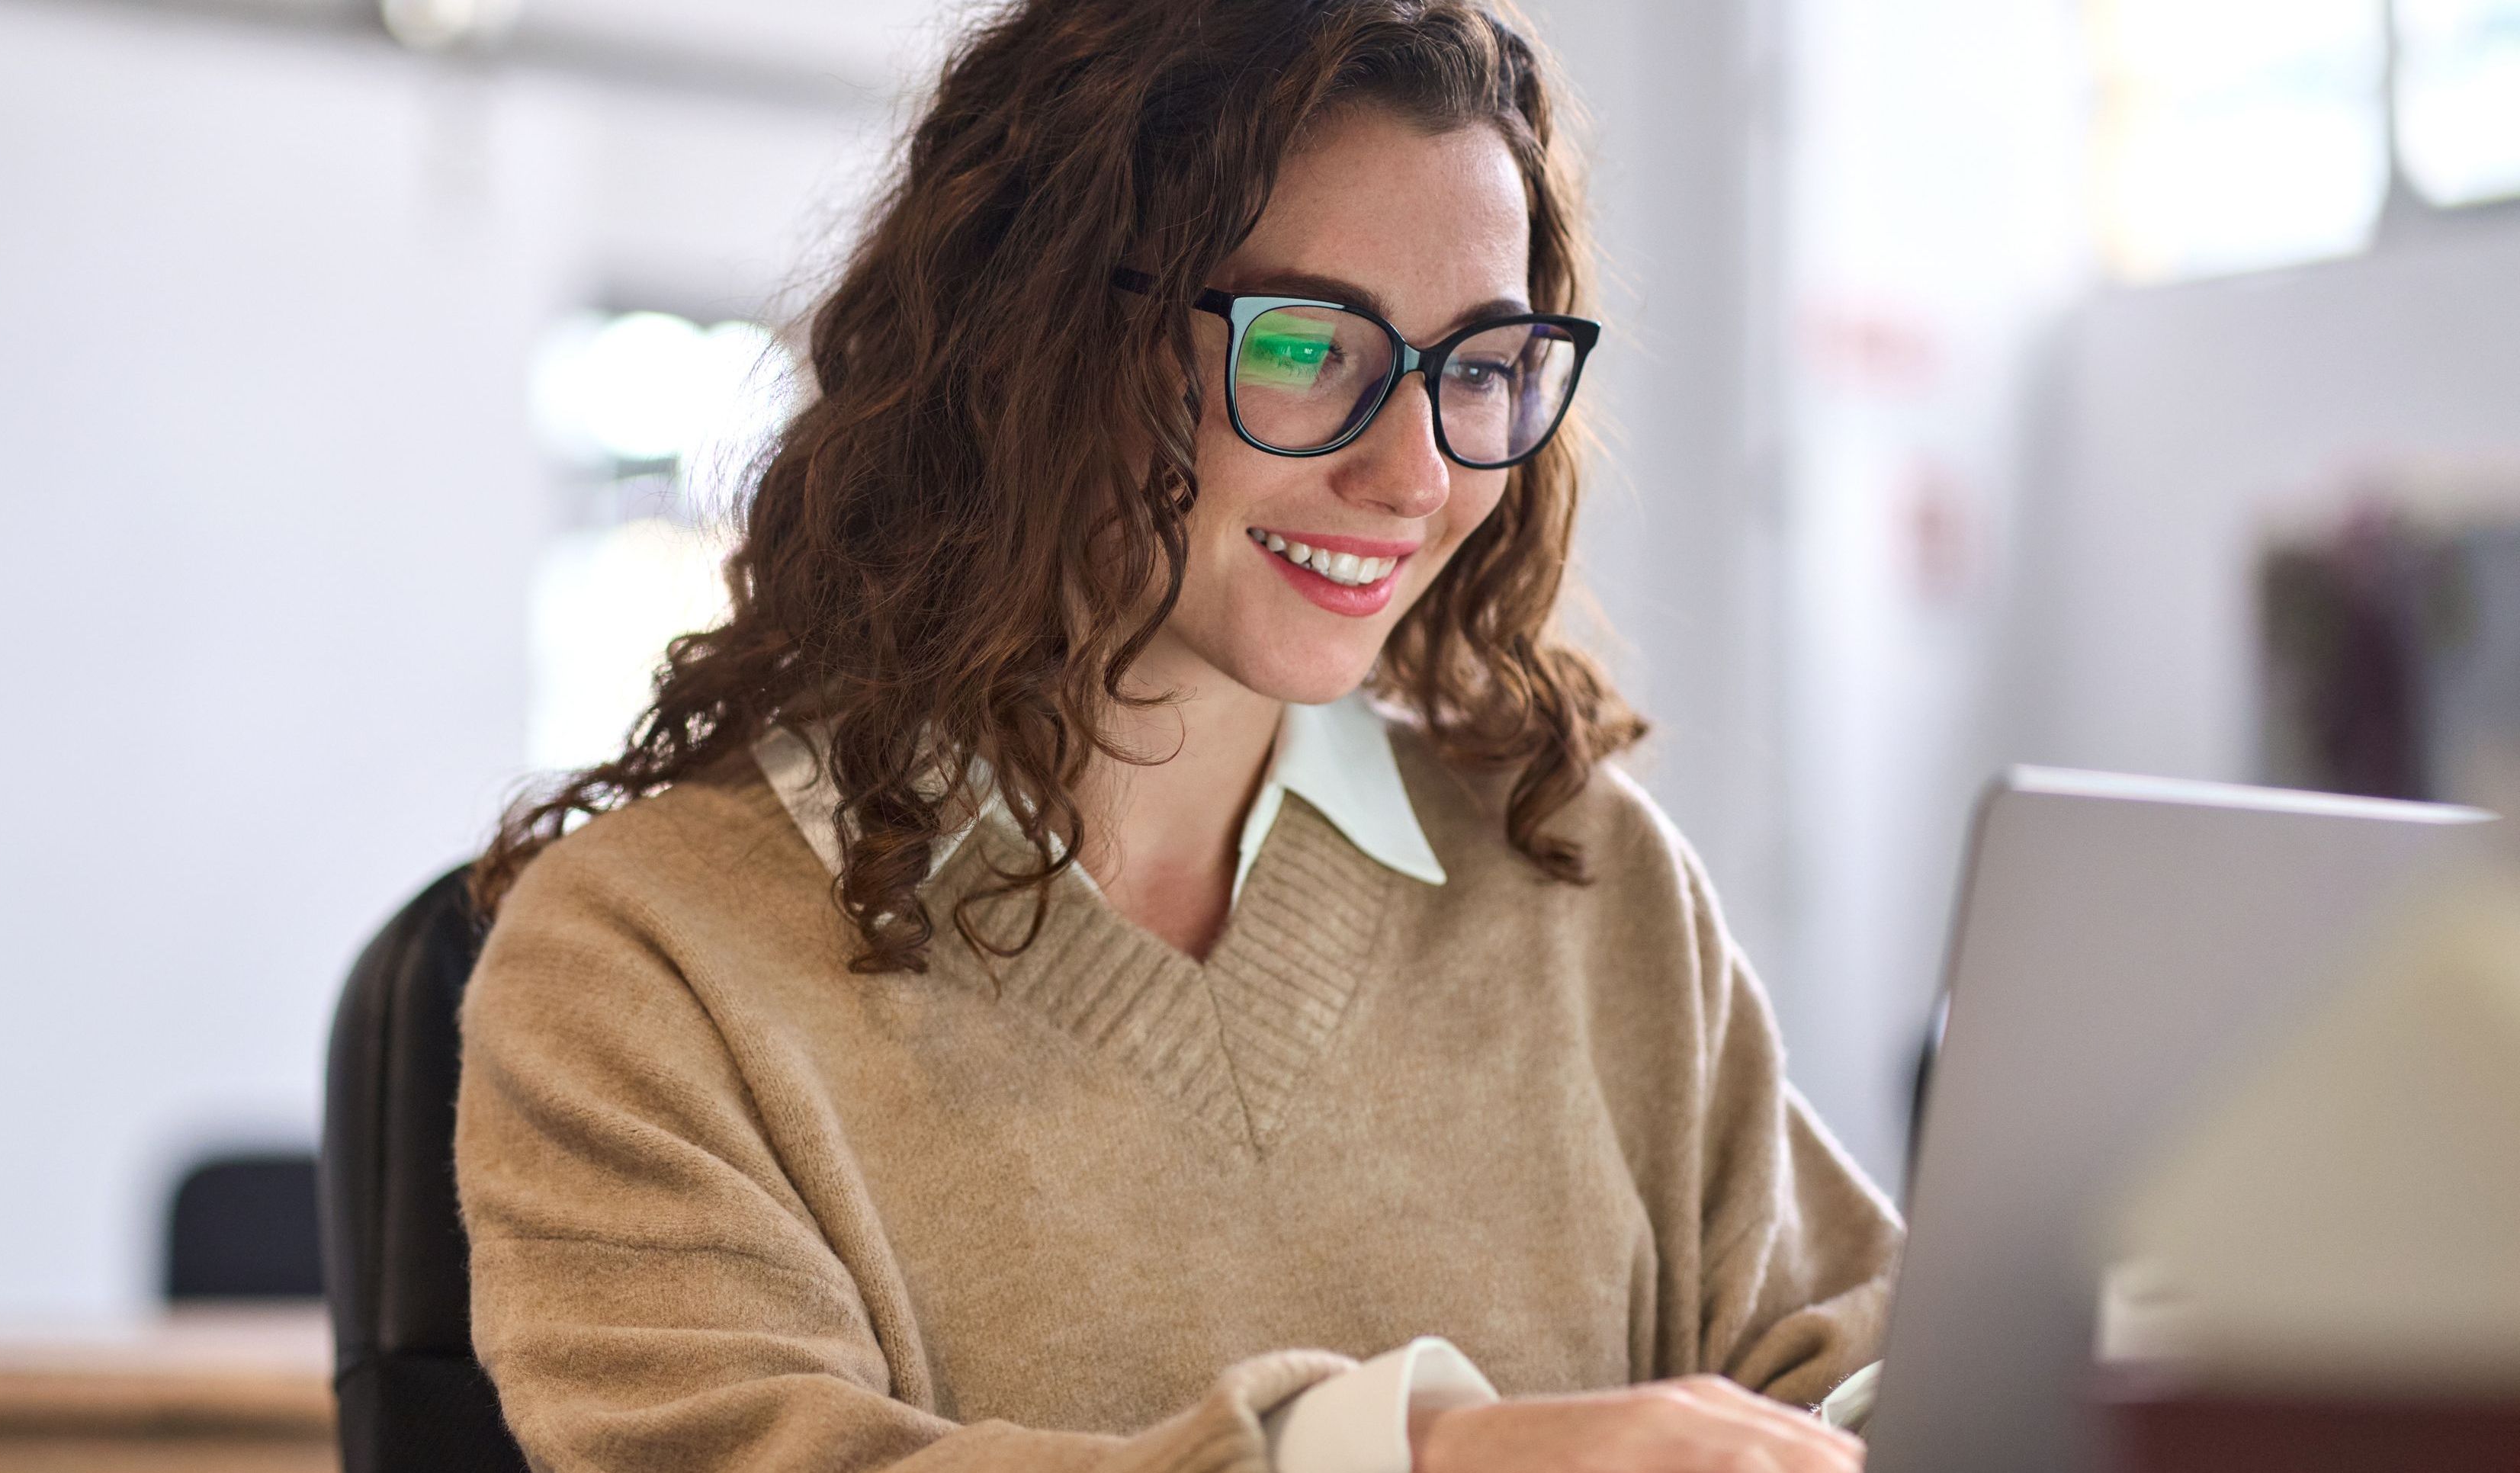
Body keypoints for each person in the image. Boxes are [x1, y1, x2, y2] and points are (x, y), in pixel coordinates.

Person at [454, 2, 1899, 1470]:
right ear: (1035, 342)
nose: (1414, 475)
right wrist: (1412, 1456)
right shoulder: (645, 962)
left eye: (1478, 366)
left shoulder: (1585, 881)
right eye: (1305, 344)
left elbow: (1865, 1359)